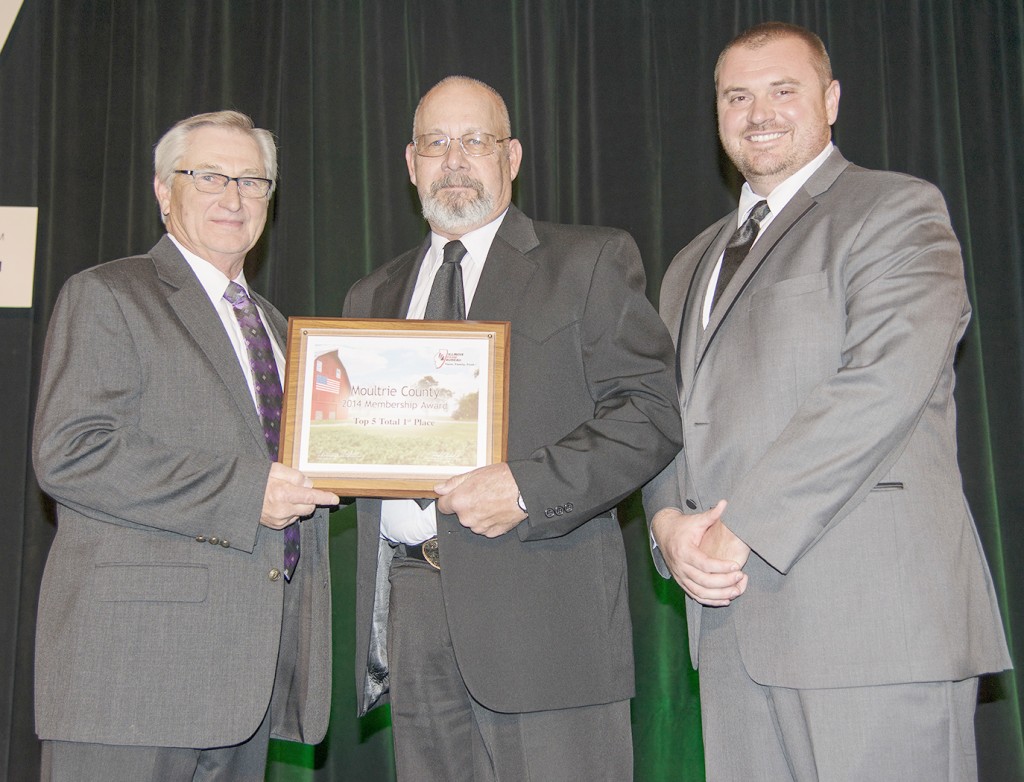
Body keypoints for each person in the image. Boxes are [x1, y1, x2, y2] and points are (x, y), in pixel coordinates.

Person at [643, 21, 1011, 781]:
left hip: (872, 623)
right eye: (737, 96)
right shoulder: (688, 265)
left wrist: (739, 526)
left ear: (831, 99)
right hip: (729, 630)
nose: (759, 112)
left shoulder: (897, 210)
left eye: (784, 90)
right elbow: (664, 416)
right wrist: (667, 522)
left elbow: (880, 384)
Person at [343, 75, 682, 781]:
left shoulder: (587, 263)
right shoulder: (370, 295)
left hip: (545, 615)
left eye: (477, 141)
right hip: (416, 615)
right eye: (437, 143)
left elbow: (650, 413)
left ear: (513, 157)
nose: (456, 159)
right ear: (411, 164)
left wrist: (527, 487)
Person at [32, 110, 340, 782]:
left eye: (253, 181)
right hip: (130, 682)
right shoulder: (110, 295)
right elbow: (72, 451)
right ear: (163, 191)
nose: (234, 197)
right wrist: (246, 492)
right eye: (210, 177)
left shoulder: (280, 329)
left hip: (242, 679)